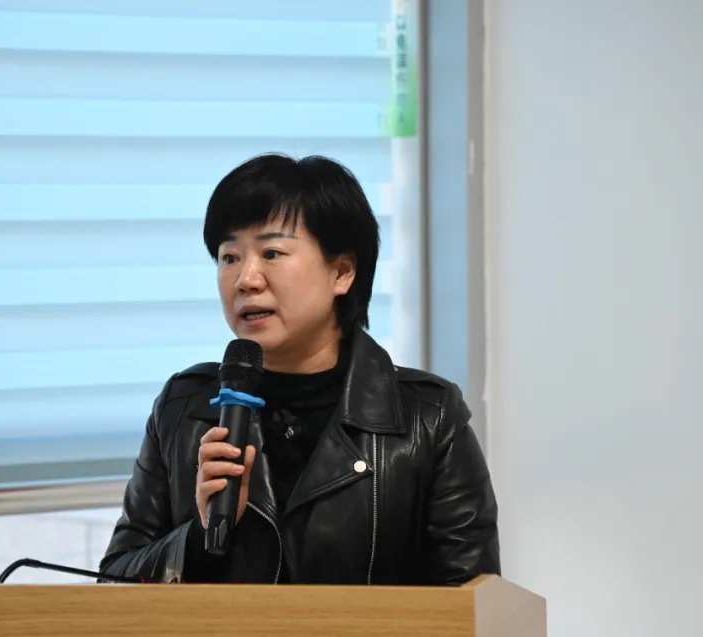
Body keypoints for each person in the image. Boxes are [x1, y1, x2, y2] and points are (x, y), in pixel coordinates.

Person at [99, 153, 500, 585]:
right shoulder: (184, 409)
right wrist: (198, 538)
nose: (246, 279)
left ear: (341, 272)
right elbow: (113, 584)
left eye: (271, 252)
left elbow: (475, 605)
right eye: (229, 257)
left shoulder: (428, 420)